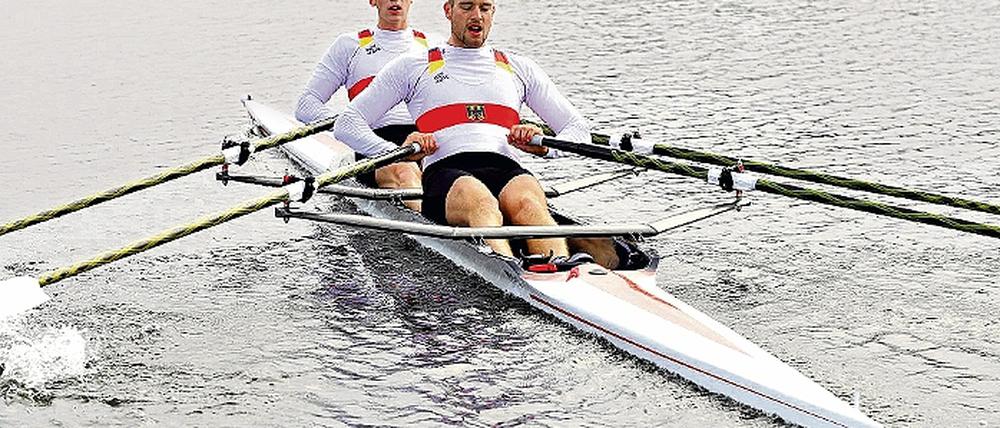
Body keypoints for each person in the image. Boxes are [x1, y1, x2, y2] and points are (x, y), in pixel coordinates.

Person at [334, 0, 596, 266]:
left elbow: (578, 130)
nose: (477, 16)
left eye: (484, 7)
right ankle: (510, 270)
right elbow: (348, 123)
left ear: (493, 12)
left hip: (504, 168)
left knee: (528, 201)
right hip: (445, 173)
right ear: (448, 11)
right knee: (479, 200)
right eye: (467, 6)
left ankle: (561, 269)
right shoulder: (412, 66)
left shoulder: (519, 68)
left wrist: (545, 147)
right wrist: (397, 153)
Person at [295, 0, 428, 211]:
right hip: (373, 142)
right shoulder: (350, 46)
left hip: (427, 141)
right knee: (406, 172)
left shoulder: (432, 46)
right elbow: (307, 104)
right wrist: (350, 127)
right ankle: (430, 223)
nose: (395, 0)